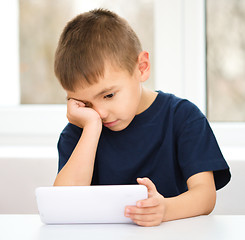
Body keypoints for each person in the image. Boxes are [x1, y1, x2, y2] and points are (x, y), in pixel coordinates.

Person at [53, 8, 231, 227]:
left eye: (108, 95)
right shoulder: (80, 131)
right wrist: (91, 129)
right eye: (85, 103)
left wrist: (165, 209)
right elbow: (63, 204)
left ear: (142, 68)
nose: (99, 112)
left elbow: (205, 196)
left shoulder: (183, 118)